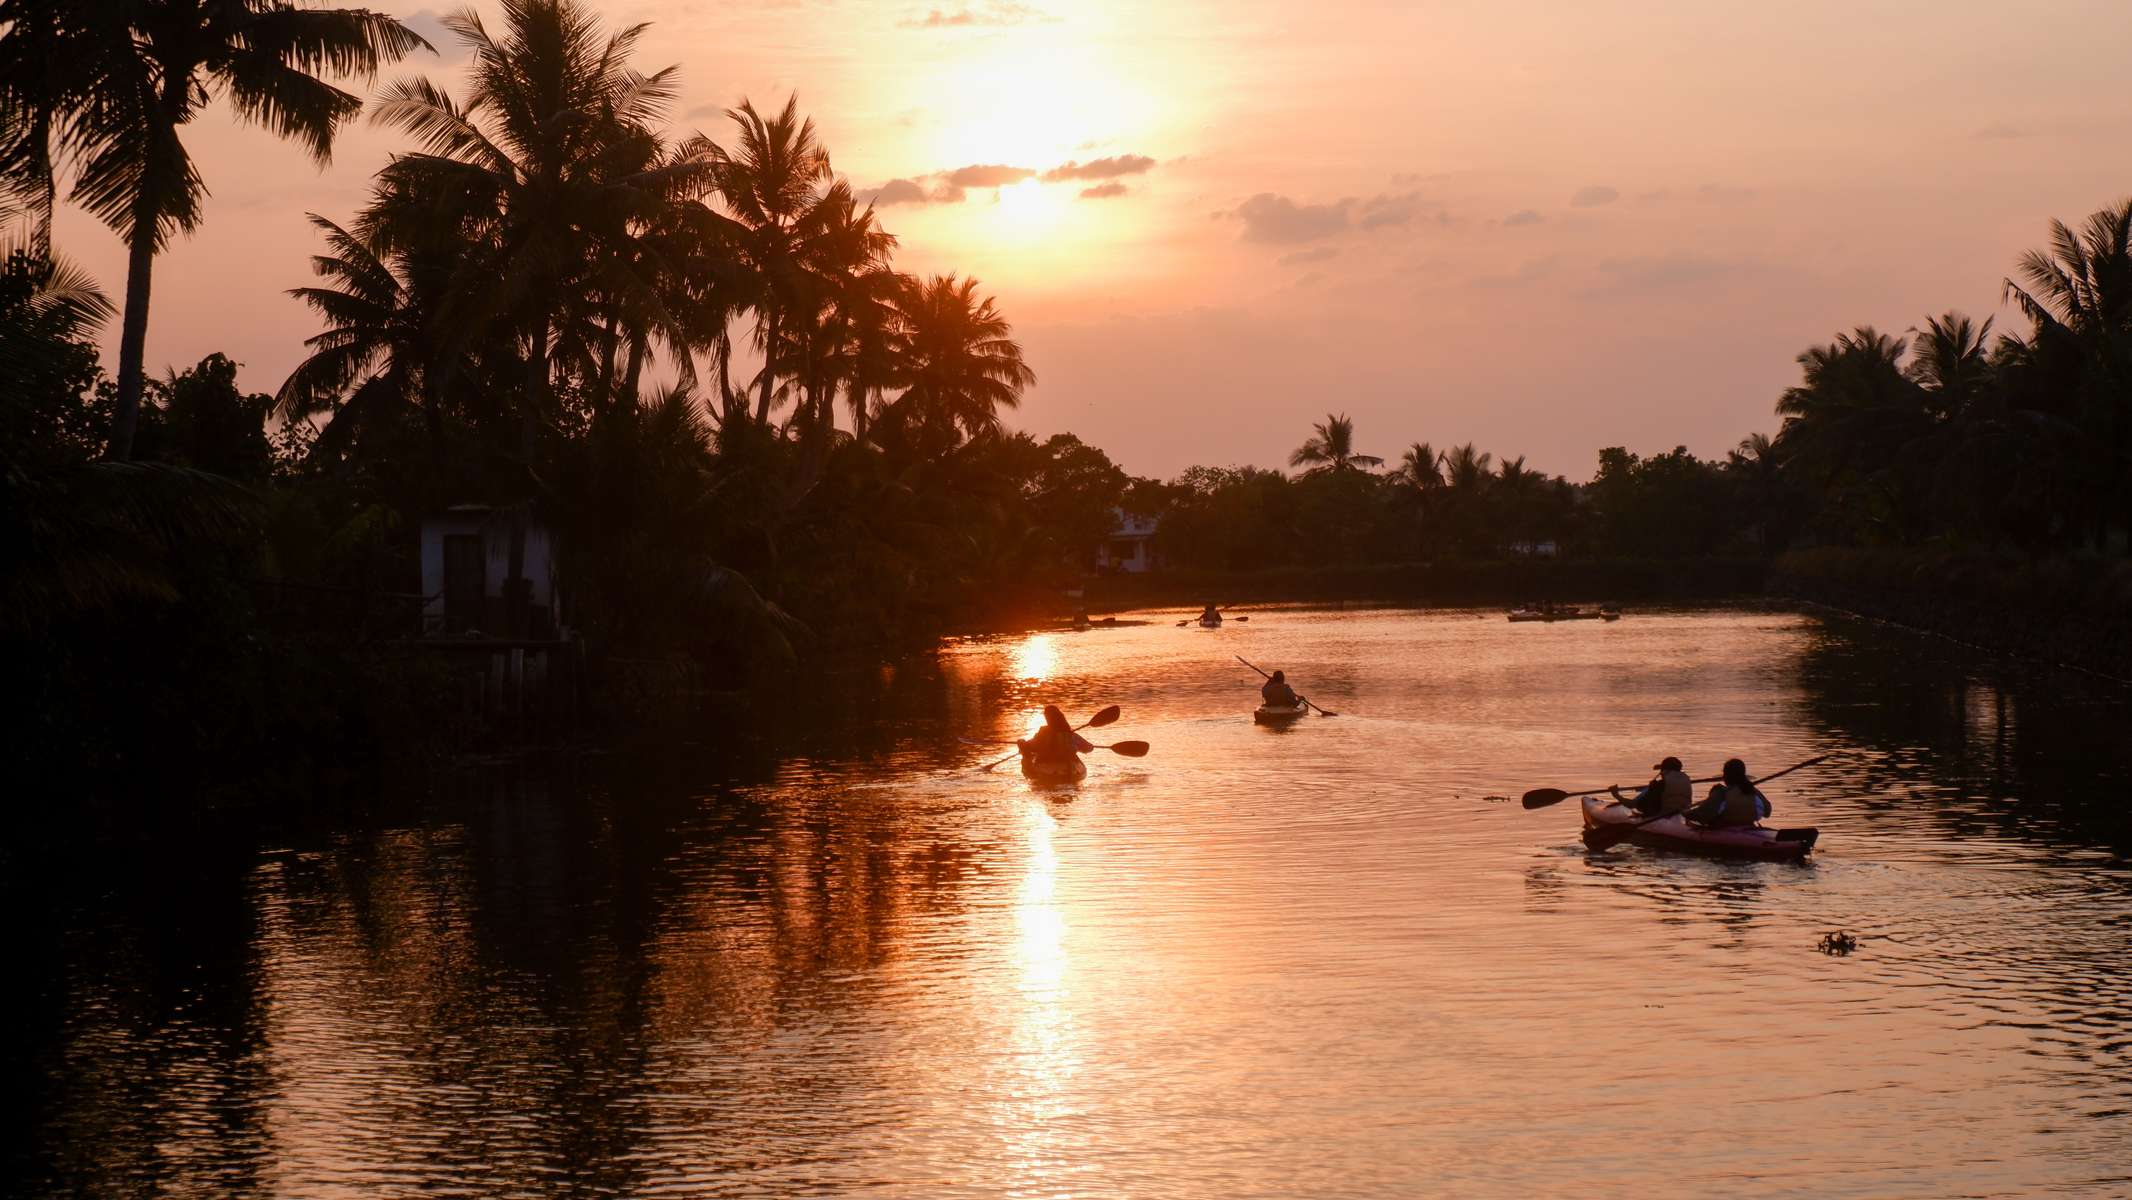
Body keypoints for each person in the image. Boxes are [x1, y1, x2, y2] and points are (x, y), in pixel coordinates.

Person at [1686, 758, 1771, 827]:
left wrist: (1684, 813)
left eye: (1724, 774)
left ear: (1727, 776)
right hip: (1749, 827)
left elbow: (1702, 814)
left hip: (1725, 829)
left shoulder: (1721, 793)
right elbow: (1767, 812)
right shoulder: (1753, 790)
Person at [1611, 756, 1693, 817]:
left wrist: (1616, 795)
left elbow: (1632, 805)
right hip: (1682, 812)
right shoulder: (1686, 779)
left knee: (1641, 804)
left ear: (1663, 770)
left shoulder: (1659, 785)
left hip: (1662, 814)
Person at [1019, 704, 1092, 767]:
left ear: (1047, 718)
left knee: (1021, 741)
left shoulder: (1042, 734)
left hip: (1047, 763)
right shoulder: (1071, 734)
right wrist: (1080, 747)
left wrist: (1022, 744)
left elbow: (1031, 746)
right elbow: (1089, 748)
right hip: (1068, 765)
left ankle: (1028, 763)